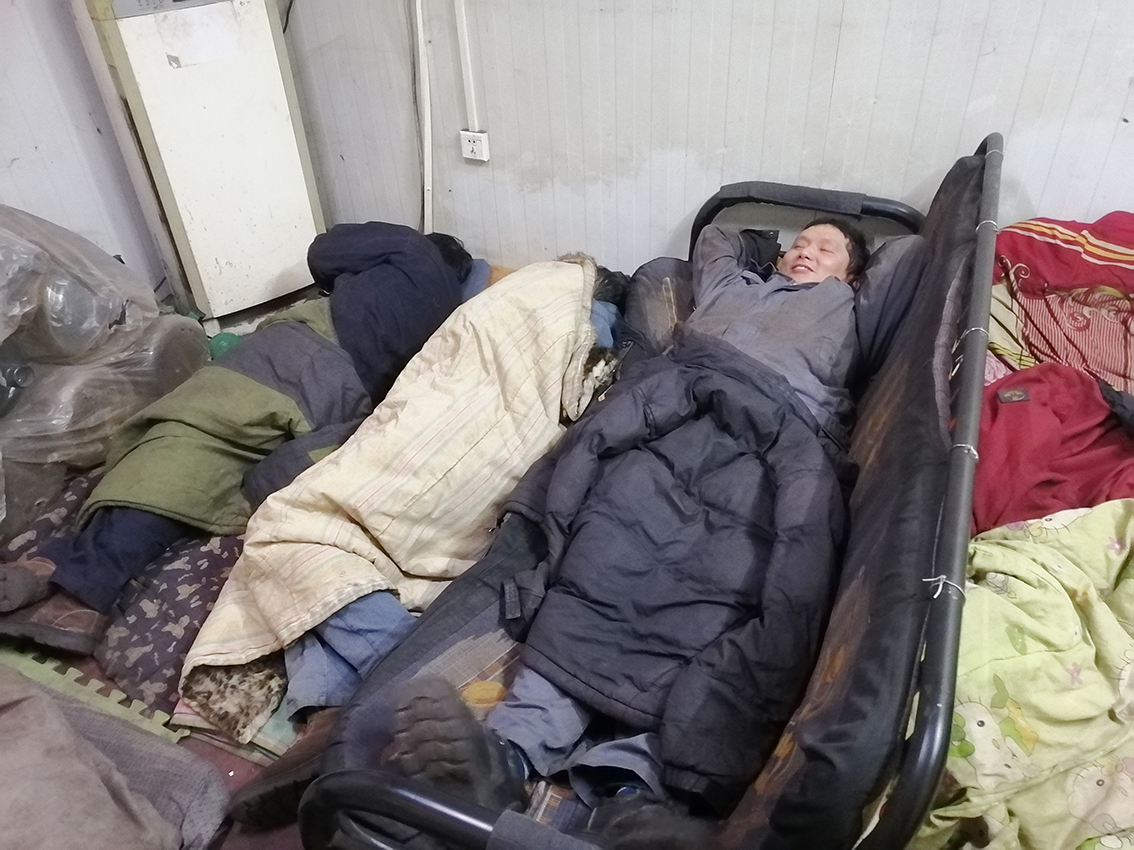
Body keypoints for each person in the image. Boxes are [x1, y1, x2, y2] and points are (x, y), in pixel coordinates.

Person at [384, 218, 870, 836]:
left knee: (724, 582)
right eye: (799, 244)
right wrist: (764, 247)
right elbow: (715, 237)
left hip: (777, 439)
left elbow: (908, 263)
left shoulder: (851, 309)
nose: (805, 253)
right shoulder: (735, 284)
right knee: (606, 550)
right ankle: (506, 757)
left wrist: (858, 270)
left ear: (852, 275)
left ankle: (633, 795)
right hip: (678, 409)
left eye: (825, 249)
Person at [0, 222, 472, 655]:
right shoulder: (455, 319)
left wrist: (350, 273)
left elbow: (324, 249)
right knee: (215, 468)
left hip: (295, 356)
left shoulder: (408, 247)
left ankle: (78, 592)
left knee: (184, 440)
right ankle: (60, 573)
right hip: (343, 404)